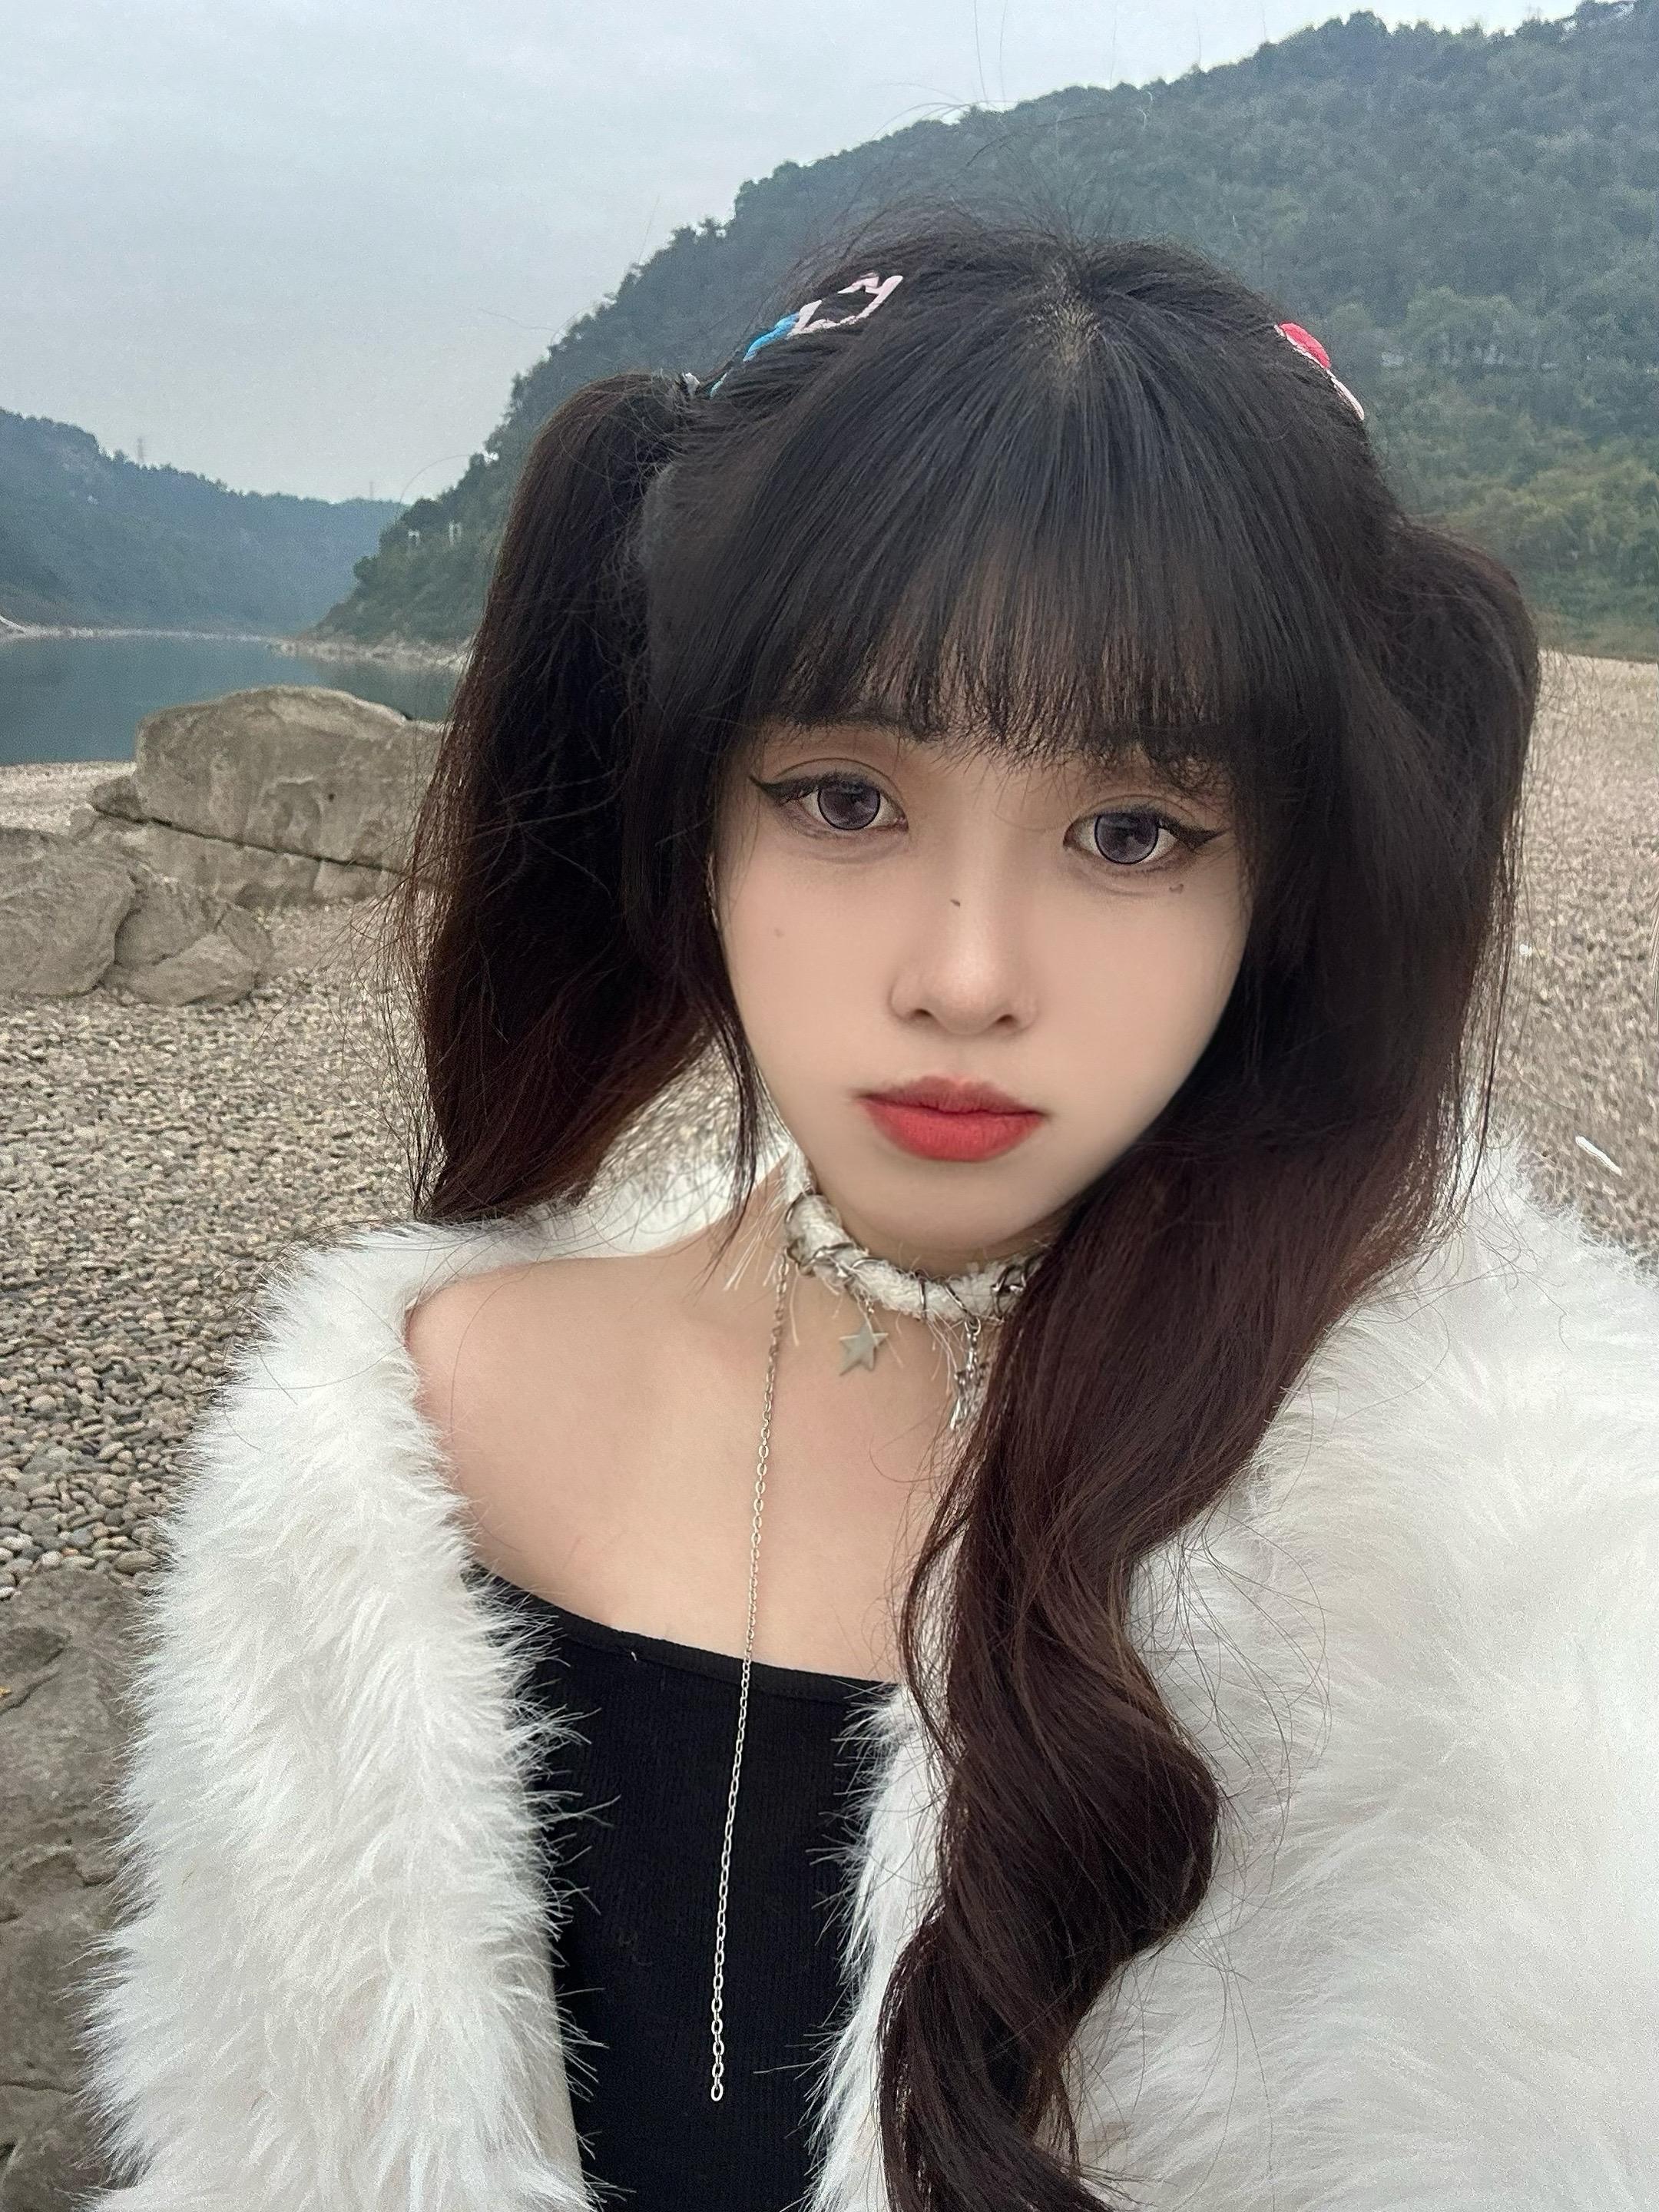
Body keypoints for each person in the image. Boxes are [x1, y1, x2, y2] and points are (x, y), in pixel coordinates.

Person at [71, 214, 1658, 2212]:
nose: (966, 975)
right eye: (844, 799)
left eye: (1131, 831)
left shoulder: (1525, 1560)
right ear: (686, 810)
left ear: (1286, 885)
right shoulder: (390, 1445)